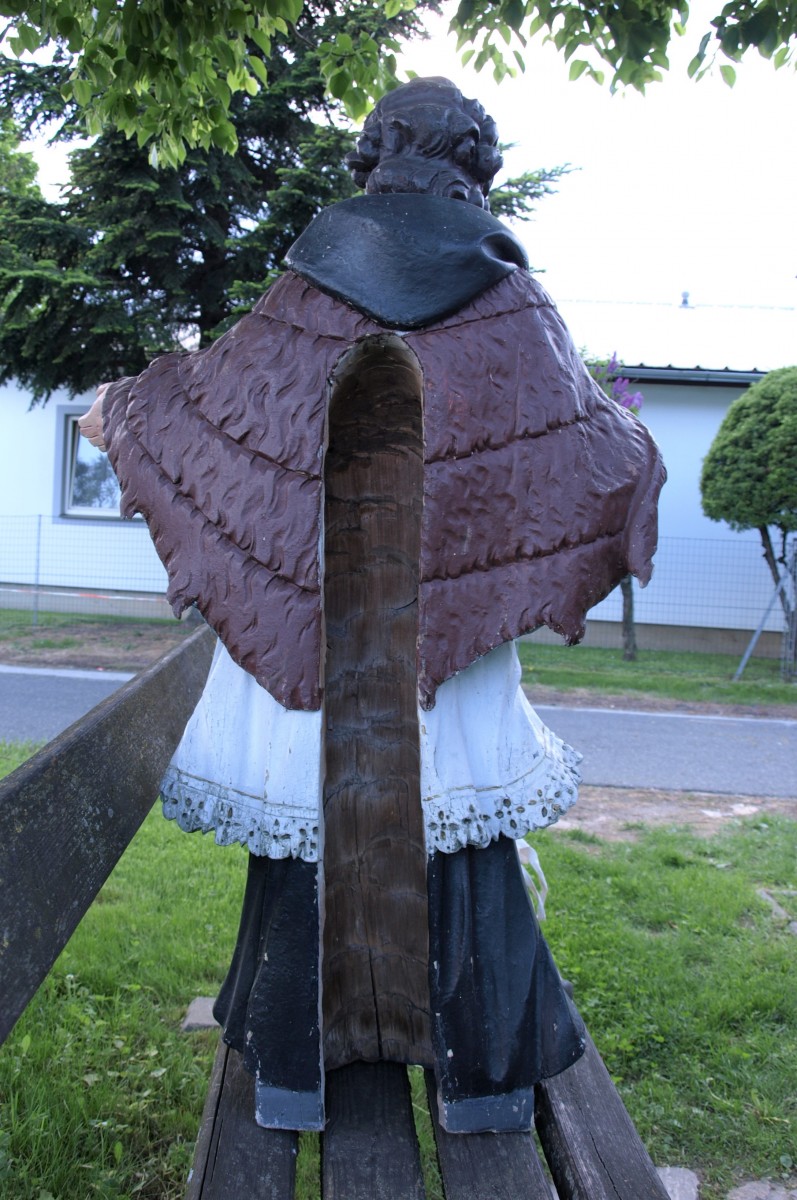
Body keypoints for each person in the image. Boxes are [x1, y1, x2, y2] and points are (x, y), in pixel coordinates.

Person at [80, 76, 665, 1134]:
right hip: (445, 651)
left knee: (307, 827)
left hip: (310, 636)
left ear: (378, 151)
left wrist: (125, 410)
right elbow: (592, 451)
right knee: (458, 832)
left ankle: (297, 1074)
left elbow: (221, 409)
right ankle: (481, 1081)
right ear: (470, 161)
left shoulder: (307, 284)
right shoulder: (509, 301)